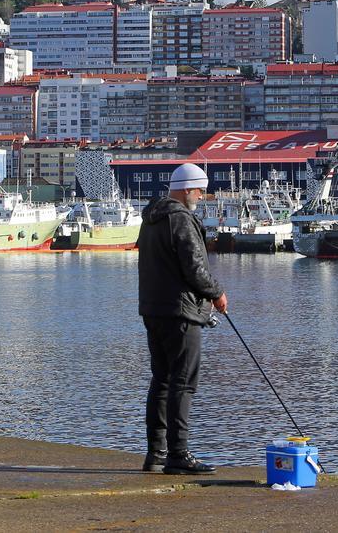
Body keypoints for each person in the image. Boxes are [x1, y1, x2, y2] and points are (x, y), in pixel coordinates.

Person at [137, 163, 228, 475]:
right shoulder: (181, 219)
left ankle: (155, 454)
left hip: (152, 308)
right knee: (183, 382)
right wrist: (217, 293)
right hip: (181, 311)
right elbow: (194, 268)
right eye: (199, 191)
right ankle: (179, 454)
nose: (201, 197)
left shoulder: (150, 218)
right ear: (188, 189)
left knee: (161, 380)